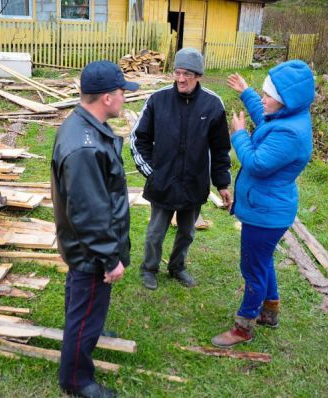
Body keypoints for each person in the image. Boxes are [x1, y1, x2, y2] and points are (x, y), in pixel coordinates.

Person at [211, 60, 315, 347]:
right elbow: (265, 115)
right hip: (267, 209)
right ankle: (270, 311)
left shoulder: (290, 133)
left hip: (265, 214)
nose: (264, 99)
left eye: (268, 95)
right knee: (263, 260)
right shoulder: (287, 117)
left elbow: (256, 163)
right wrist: (247, 92)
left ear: (285, 102)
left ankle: (244, 326)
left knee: (253, 269)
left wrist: (239, 135)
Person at [51, 60, 139, 398]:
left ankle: (89, 329)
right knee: (85, 305)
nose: (124, 98)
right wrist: (109, 258)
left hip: (82, 247)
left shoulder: (82, 125)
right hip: (90, 251)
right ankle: (76, 380)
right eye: (121, 93)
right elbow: (88, 213)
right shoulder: (85, 146)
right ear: (106, 98)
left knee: (84, 302)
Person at [130, 47, 232, 290]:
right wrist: (151, 172)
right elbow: (138, 138)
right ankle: (149, 268)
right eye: (177, 73)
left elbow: (220, 149)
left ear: (198, 76)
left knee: (187, 233)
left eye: (187, 74)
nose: (181, 79)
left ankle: (177, 267)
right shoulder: (158, 99)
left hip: (194, 183)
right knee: (156, 232)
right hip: (162, 182)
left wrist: (223, 183)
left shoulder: (212, 104)